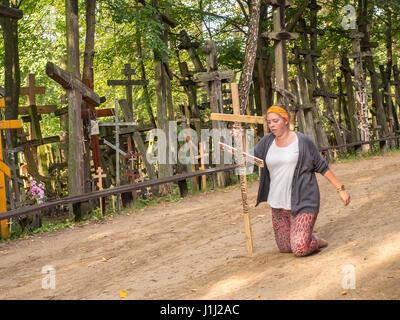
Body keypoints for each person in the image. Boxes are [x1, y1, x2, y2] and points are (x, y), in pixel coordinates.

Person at [251, 104, 350, 257]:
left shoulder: (302, 141)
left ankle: (316, 239)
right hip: (278, 204)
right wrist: (240, 139)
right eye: (269, 122)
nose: (272, 125)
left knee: (299, 248)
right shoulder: (267, 141)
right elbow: (251, 158)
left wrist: (340, 189)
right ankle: (302, 231)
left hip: (304, 201)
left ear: (285, 120)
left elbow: (321, 165)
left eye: (275, 121)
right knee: (285, 247)